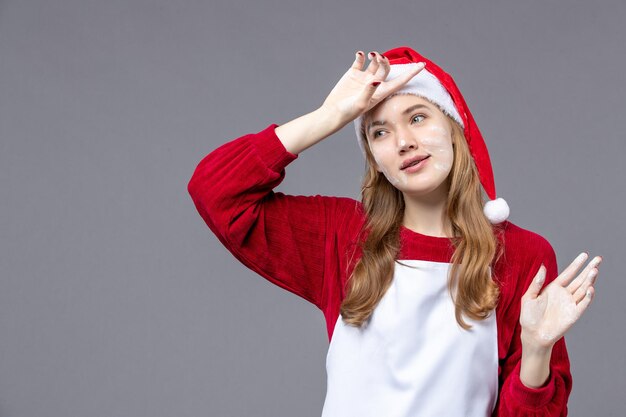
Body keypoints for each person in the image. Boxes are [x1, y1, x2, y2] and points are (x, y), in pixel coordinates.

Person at [187, 46, 603, 416]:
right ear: (375, 159)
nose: (403, 141)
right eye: (379, 132)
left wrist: (536, 351)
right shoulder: (343, 235)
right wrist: (329, 116)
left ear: (456, 131)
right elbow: (216, 190)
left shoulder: (522, 255)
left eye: (418, 117)